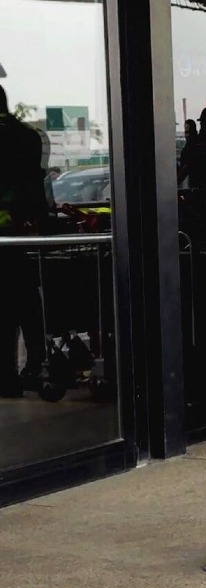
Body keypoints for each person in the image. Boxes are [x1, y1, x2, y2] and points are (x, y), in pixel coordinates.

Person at [0, 84, 49, 398]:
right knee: (28, 303)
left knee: (4, 312)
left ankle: (6, 377)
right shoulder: (28, 137)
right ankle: (35, 365)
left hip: (4, 237)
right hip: (23, 233)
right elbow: (35, 184)